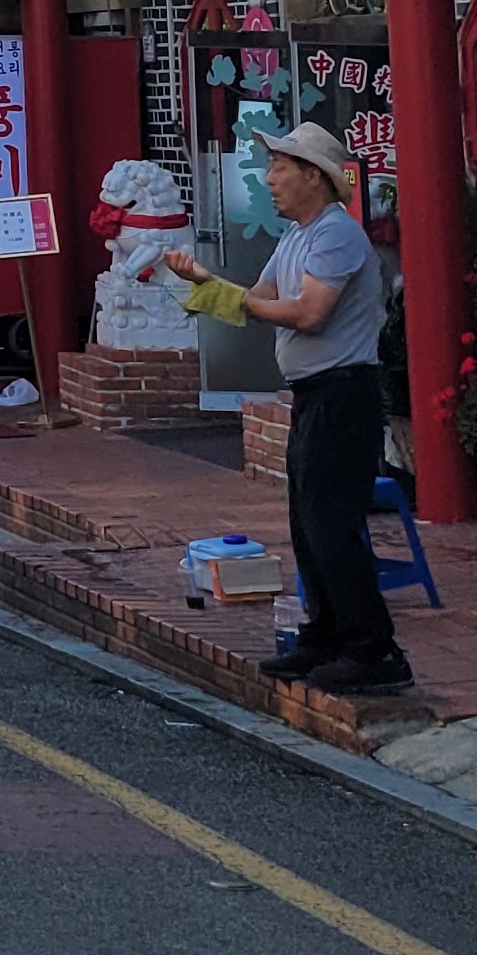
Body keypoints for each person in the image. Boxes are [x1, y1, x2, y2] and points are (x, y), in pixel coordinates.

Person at [162, 120, 410, 693]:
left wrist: (218, 292)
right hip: (315, 395)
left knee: (332, 526)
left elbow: (307, 313)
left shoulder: (336, 234)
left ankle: (375, 649)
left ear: (313, 176)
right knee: (307, 524)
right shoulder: (298, 235)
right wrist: (206, 285)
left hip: (344, 393)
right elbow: (260, 298)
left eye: (279, 168)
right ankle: (325, 636)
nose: (269, 179)